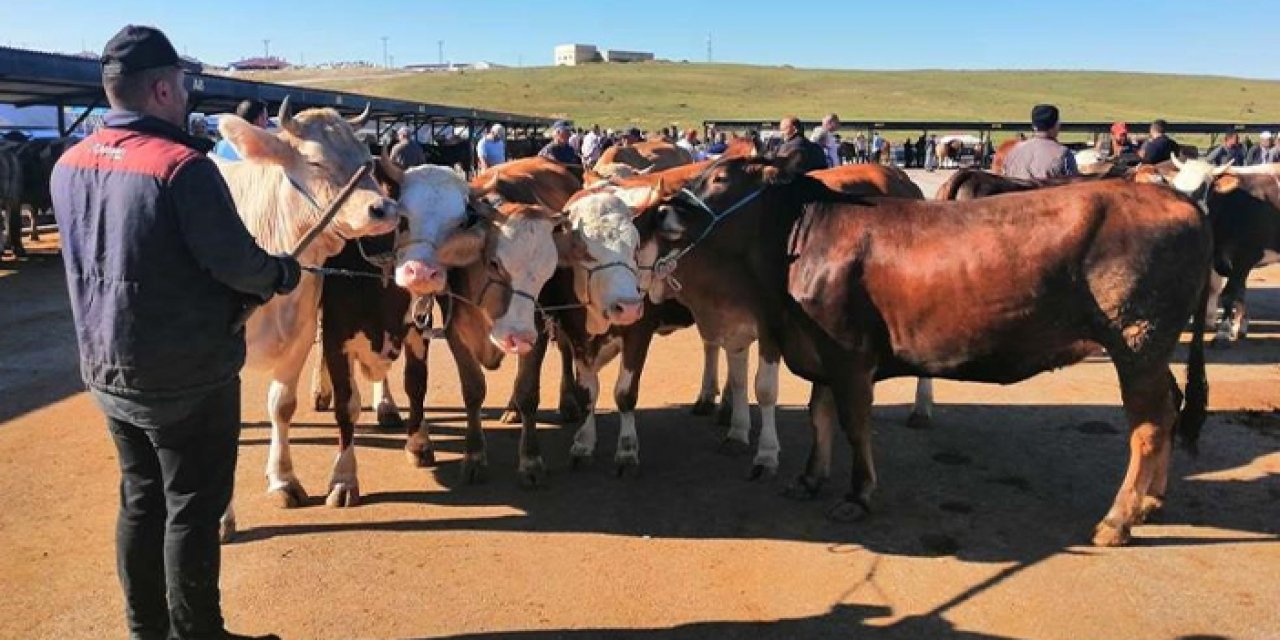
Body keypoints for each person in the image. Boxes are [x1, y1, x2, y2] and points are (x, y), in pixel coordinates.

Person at [51, 25, 296, 640]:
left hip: (106, 368)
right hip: (187, 375)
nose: (186, 94)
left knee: (140, 499)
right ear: (161, 87)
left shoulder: (68, 162)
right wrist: (280, 272)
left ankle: (146, 631)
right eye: (183, 83)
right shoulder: (182, 167)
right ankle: (199, 634)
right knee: (192, 507)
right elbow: (238, 263)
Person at [1001, 104, 1078, 180]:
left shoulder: (1013, 151)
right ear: (1056, 125)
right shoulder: (1063, 154)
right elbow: (1075, 186)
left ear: (1033, 126)